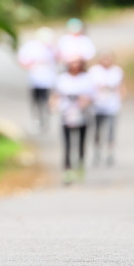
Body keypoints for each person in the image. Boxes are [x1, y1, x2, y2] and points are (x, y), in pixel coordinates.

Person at [50, 55, 95, 184]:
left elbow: (92, 96)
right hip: (66, 114)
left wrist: (83, 103)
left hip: (83, 114)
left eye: (77, 63)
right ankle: (67, 169)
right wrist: (54, 105)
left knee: (81, 143)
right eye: (72, 63)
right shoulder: (62, 79)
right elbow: (55, 95)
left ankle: (80, 164)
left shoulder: (86, 79)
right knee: (67, 144)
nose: (75, 66)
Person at [88, 50, 126, 167]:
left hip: (112, 105)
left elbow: (121, 86)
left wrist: (122, 98)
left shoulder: (117, 71)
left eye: (108, 59)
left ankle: (110, 152)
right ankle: (97, 151)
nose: (106, 61)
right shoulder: (94, 71)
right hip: (98, 105)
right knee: (97, 130)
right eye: (104, 58)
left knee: (111, 130)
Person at [17, 27, 57, 133]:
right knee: (36, 101)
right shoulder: (32, 46)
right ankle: (37, 119)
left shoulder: (52, 48)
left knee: (46, 101)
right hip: (35, 80)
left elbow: (59, 57)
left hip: (48, 80)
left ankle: (45, 119)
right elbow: (22, 60)